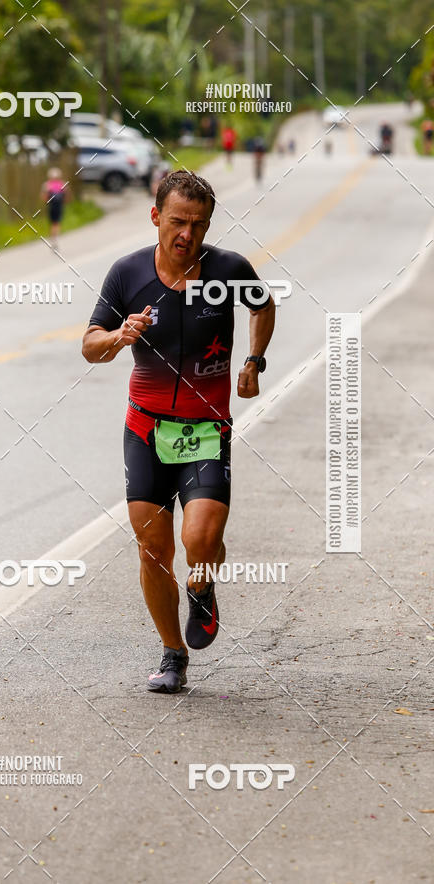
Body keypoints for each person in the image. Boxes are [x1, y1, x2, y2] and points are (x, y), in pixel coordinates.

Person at [82, 170, 275, 693]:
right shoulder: (127, 273)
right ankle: (173, 654)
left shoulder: (229, 269)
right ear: (155, 217)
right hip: (146, 431)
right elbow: (90, 345)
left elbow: (263, 305)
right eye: (177, 222)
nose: (187, 234)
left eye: (198, 224)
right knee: (153, 550)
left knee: (201, 540)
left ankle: (202, 586)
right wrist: (120, 335)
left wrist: (253, 360)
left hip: (206, 430)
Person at [41, 168, 69, 250]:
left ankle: (53, 239)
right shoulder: (62, 184)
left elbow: (44, 197)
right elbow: (67, 196)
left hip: (51, 206)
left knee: (53, 223)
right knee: (57, 223)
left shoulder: (47, 185)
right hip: (59, 206)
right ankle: (55, 238)